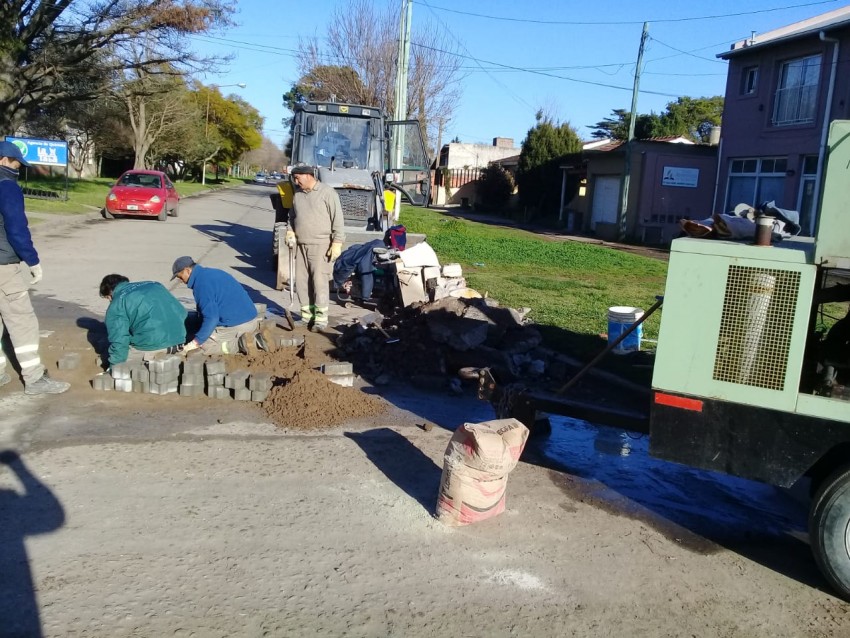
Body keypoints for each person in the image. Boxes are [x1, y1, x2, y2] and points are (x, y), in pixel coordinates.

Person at [0, 141, 70, 395]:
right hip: (3, 267)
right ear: (3, 160)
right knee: (22, 321)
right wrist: (32, 260)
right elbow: (16, 229)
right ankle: (34, 379)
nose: (18, 167)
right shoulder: (7, 188)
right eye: (16, 163)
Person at [286, 164, 345, 332]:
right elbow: (292, 217)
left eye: (298, 178)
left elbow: (338, 220)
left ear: (308, 176)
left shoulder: (327, 193)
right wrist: (290, 231)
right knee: (302, 282)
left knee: (319, 282)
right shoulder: (297, 195)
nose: (296, 182)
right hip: (301, 244)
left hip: (321, 245)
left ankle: (320, 319)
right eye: (294, 178)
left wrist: (337, 242)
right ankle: (306, 316)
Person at [170, 256, 271, 355]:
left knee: (205, 347)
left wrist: (195, 343)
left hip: (237, 326)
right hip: (252, 320)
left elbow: (212, 318)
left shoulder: (201, 285)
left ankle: (239, 344)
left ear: (187, 270)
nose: (181, 281)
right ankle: (257, 338)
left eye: (180, 276)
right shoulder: (213, 273)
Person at [99, 274, 188, 367]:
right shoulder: (155, 285)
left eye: (108, 298)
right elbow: (182, 312)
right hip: (179, 342)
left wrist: (115, 368)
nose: (110, 301)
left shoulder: (117, 302)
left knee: (116, 356)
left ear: (110, 292)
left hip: (152, 347)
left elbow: (120, 341)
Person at [332, 239, 385, 303]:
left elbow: (365, 271)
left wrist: (366, 295)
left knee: (365, 268)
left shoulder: (345, 264)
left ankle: (363, 293)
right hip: (374, 246)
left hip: (350, 259)